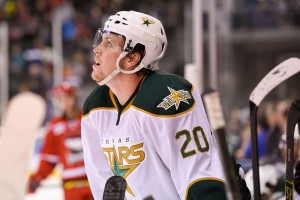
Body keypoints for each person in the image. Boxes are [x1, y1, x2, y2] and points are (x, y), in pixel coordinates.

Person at [81, 10, 250, 200]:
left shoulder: (167, 96)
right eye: (100, 39)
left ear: (131, 58)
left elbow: (198, 177)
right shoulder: (95, 106)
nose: (97, 49)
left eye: (109, 43)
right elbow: (101, 181)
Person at [27, 81, 93, 200]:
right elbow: (48, 159)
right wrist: (36, 178)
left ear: (75, 97)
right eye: (61, 99)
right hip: (70, 187)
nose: (65, 102)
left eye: (68, 97)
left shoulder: (89, 118)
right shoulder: (54, 126)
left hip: (94, 183)